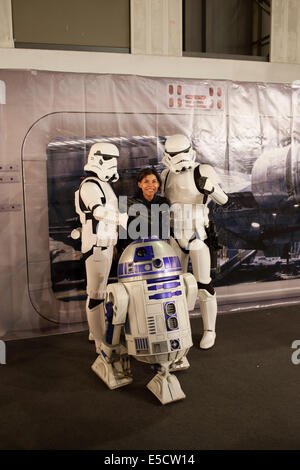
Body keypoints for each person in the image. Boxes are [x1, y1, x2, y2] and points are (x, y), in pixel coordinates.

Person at [161, 134, 228, 350]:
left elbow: (224, 199)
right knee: (176, 286)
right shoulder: (164, 175)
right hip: (174, 235)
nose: (178, 160)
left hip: (198, 235)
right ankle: (180, 326)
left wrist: (210, 188)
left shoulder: (203, 170)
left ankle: (210, 330)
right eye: (172, 155)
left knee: (204, 285)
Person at [73, 142, 121, 354]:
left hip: (105, 243)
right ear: (98, 158)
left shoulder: (101, 184)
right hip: (96, 245)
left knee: (98, 292)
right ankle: (100, 342)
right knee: (96, 294)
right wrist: (124, 218)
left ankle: (96, 332)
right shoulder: (90, 185)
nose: (114, 164)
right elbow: (99, 212)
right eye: (111, 159)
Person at [120, 167, 170, 247]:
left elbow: (163, 229)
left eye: (154, 181)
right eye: (146, 181)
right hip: (135, 249)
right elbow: (122, 230)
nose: (150, 185)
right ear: (140, 184)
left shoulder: (163, 202)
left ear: (158, 184)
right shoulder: (130, 203)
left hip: (158, 247)